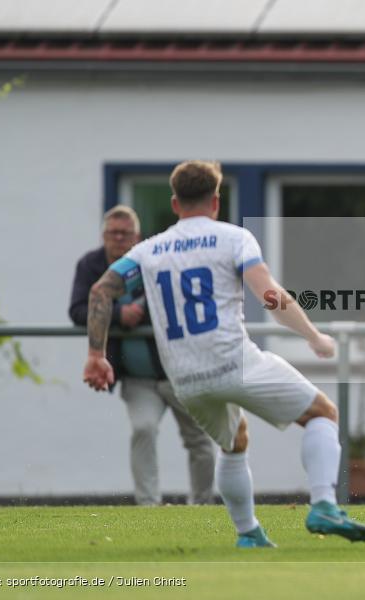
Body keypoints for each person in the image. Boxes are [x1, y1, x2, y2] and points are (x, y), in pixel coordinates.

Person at [82, 161, 365, 547]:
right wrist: (313, 335)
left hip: (185, 378)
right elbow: (270, 294)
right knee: (322, 413)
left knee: (233, 440)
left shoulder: (146, 251)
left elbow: (100, 291)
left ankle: (249, 534)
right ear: (216, 201)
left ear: (175, 203)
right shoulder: (234, 239)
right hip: (236, 363)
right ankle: (324, 504)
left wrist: (95, 355)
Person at [70, 205, 216, 506]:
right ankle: (148, 505)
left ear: (137, 236)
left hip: (179, 369)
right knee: (143, 428)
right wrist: (120, 314)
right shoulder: (91, 265)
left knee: (200, 438)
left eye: (125, 234)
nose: (119, 239)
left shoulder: (156, 257)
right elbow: (79, 309)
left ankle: (202, 504)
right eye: (113, 233)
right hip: (136, 375)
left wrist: (144, 313)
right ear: (103, 236)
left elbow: (179, 300)